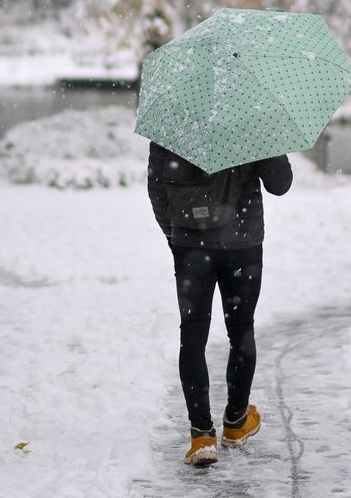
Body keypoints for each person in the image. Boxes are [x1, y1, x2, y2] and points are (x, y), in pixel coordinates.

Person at [146, 141, 293, 466]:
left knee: (193, 335)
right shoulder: (252, 119)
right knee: (241, 332)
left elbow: (156, 187)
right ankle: (237, 423)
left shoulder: (173, 118)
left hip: (190, 241)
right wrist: (272, 141)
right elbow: (280, 185)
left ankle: (201, 436)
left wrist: (176, 236)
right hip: (243, 242)